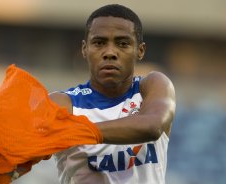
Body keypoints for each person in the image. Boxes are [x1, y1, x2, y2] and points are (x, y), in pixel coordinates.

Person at [49, 4, 176, 184]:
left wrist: (75, 131)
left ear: (140, 50)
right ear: (85, 49)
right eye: (99, 43)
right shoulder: (62, 103)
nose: (110, 53)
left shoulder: (153, 86)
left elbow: (152, 126)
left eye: (122, 44)